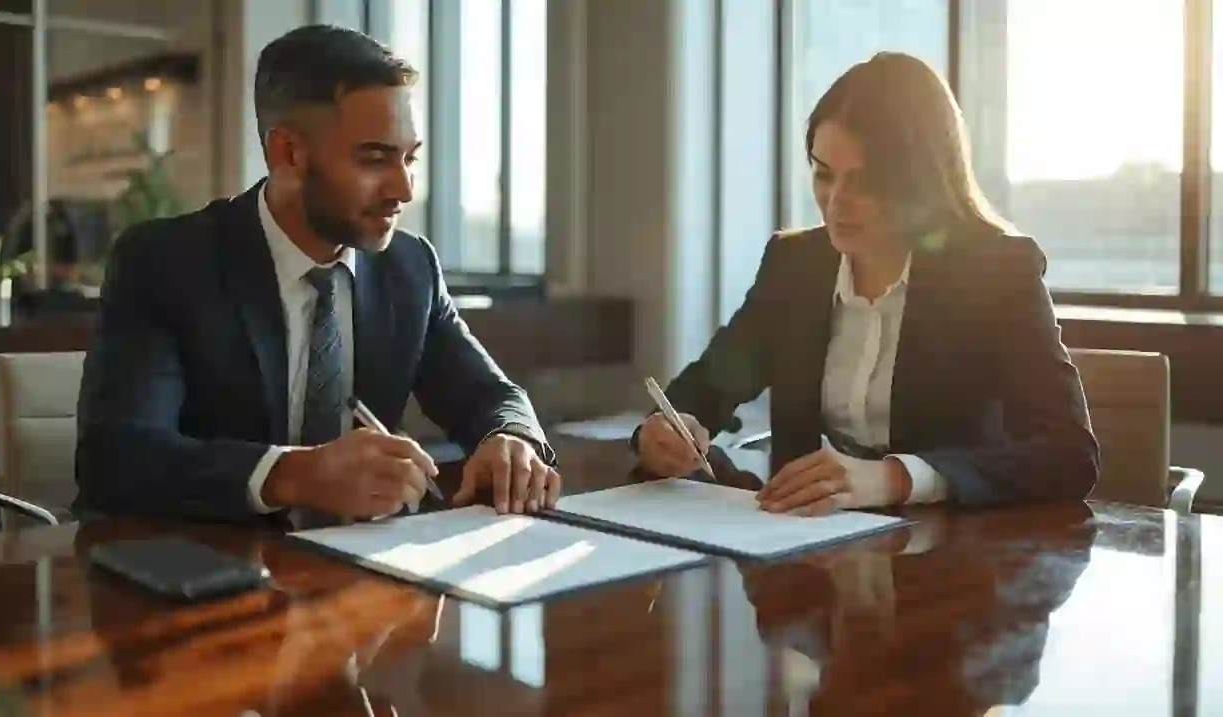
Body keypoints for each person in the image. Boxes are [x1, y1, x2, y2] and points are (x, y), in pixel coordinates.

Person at [75, 25, 560, 525]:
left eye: (409, 158)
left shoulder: (409, 266)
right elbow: (117, 459)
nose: (404, 188)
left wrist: (512, 437)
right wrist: (297, 475)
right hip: (203, 570)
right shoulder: (165, 261)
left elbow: (490, 395)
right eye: (374, 158)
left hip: (361, 572)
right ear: (288, 154)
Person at [635, 51, 1099, 512]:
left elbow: (1067, 454)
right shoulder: (794, 266)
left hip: (952, 559)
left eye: (865, 183)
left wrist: (897, 478)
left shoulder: (996, 272)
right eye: (823, 174)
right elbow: (705, 389)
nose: (836, 204)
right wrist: (664, 431)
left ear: (922, 181)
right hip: (801, 552)